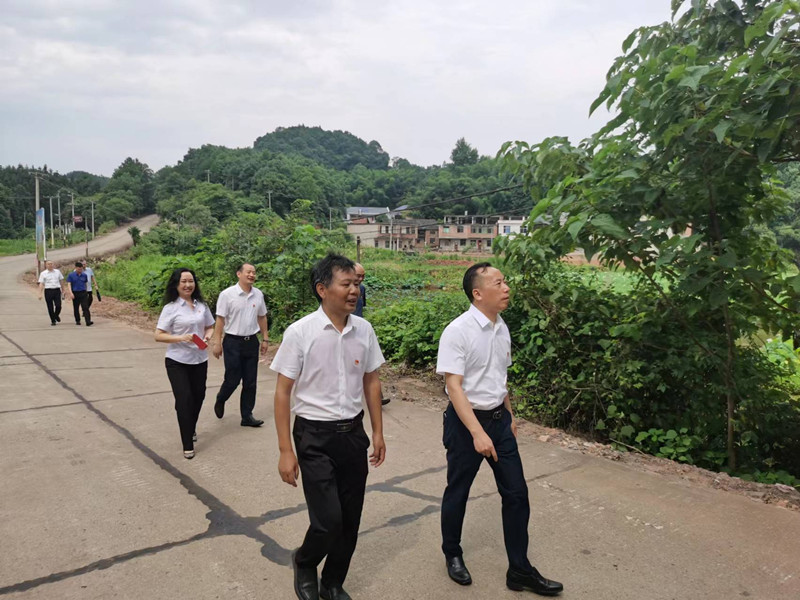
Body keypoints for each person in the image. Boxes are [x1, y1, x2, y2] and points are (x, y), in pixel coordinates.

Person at [436, 262, 563, 596]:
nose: (506, 288)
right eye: (498, 283)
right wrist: (477, 433)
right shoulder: (458, 331)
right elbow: (454, 387)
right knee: (458, 490)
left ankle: (519, 569)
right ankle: (452, 554)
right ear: (478, 293)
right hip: (466, 425)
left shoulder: (501, 327)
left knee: (517, 494)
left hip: (499, 422)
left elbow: (499, 377)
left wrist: (509, 414)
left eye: (505, 282)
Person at [271, 253, 386, 600]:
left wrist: (378, 432)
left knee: (350, 519)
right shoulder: (300, 332)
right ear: (322, 289)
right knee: (328, 520)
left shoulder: (364, 330)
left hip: (352, 435)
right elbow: (282, 392)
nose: (354, 290)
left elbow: (372, 381)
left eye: (356, 284)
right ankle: (305, 561)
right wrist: (285, 451)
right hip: (314, 436)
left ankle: (333, 582)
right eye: (345, 284)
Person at [154, 268, 215, 460]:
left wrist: (207, 337)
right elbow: (158, 335)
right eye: (184, 282)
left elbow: (210, 326)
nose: (188, 285)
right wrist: (181, 337)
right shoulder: (170, 308)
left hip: (199, 359)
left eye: (191, 281)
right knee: (184, 399)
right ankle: (187, 443)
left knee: (198, 397)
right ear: (176, 284)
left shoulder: (201, 305)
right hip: (177, 361)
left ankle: (190, 426)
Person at [211, 263, 269, 427]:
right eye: (248, 272)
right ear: (239, 274)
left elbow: (262, 317)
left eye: (254, 272)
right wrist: (217, 342)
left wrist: (265, 338)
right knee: (233, 378)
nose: (251, 275)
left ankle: (247, 416)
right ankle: (221, 398)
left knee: (250, 382)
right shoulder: (227, 295)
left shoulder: (258, 294)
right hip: (232, 342)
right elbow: (220, 319)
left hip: (251, 341)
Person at [353, 262, 390, 407]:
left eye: (363, 276)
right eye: (358, 275)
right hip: (346, 331)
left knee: (370, 366)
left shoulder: (361, 289)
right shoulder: (339, 291)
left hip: (360, 331)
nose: (361, 278)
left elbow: (360, 308)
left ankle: (377, 397)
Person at [37, 260, 66, 326]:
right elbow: (41, 283)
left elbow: (61, 281)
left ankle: (56, 315)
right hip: (48, 291)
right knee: (50, 307)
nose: (50, 265)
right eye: (48, 264)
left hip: (57, 290)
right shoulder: (43, 273)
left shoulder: (57, 272)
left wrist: (63, 289)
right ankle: (53, 320)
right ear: (46, 265)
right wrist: (39, 293)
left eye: (51, 264)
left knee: (58, 305)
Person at [66, 262, 92, 326]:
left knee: (85, 307)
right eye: (78, 269)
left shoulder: (84, 275)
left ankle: (88, 321)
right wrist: (71, 293)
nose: (80, 270)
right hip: (75, 293)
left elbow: (85, 283)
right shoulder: (71, 275)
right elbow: (69, 284)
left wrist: (86, 291)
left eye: (81, 269)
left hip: (83, 292)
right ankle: (77, 320)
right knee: (76, 307)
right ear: (75, 268)